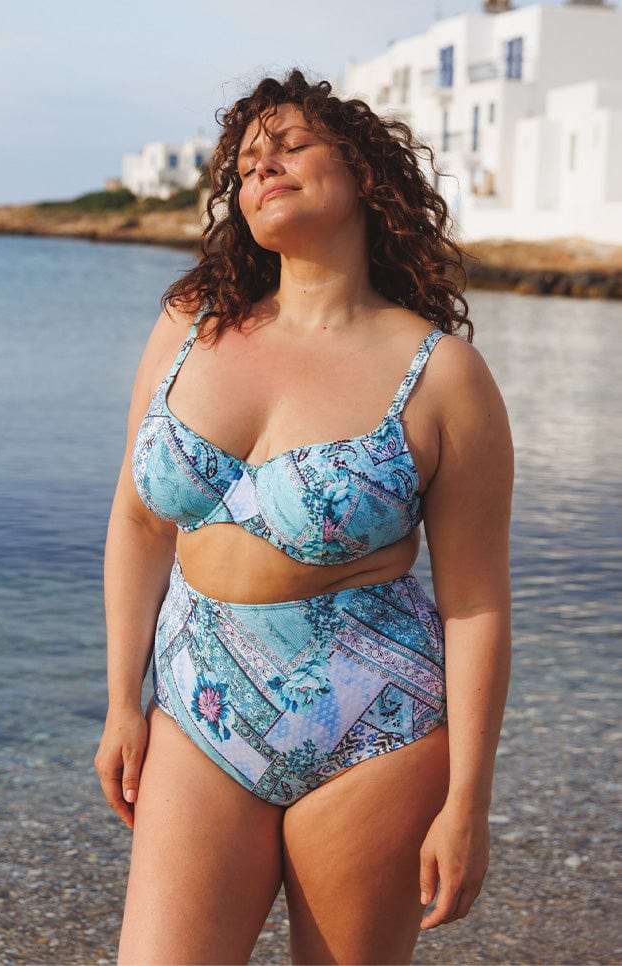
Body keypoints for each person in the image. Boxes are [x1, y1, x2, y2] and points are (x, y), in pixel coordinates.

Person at [95, 69, 513, 965]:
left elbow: (475, 600)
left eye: (290, 146)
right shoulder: (189, 323)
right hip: (196, 704)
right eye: (245, 163)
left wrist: (469, 800)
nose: (262, 168)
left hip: (375, 725)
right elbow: (137, 525)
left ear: (363, 173)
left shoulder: (442, 376)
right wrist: (120, 704)